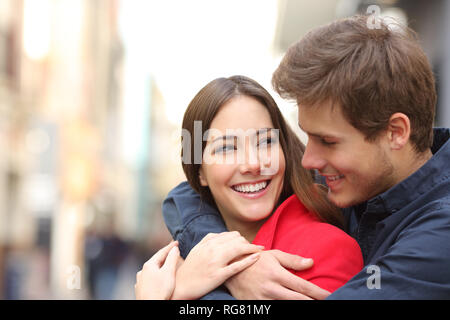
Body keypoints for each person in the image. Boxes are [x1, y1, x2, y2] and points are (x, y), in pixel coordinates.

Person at [161, 14, 450, 299]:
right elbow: (187, 195)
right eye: (307, 136)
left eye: (327, 141)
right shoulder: (355, 177)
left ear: (396, 133)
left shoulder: (439, 238)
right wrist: (233, 262)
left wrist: (176, 294)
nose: (307, 160)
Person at [135, 75, 363, 300]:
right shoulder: (177, 267)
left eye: (265, 142)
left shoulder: (327, 248)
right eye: (226, 148)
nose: (253, 164)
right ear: (199, 172)